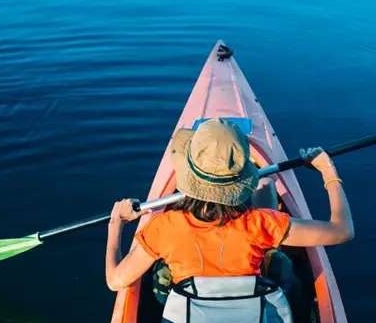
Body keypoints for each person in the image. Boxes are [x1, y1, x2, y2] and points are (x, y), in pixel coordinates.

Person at [104, 118, 355, 302]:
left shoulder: (163, 227)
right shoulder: (264, 224)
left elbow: (115, 281)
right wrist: (327, 171)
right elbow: (342, 231)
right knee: (268, 195)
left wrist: (116, 224)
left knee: (160, 272)